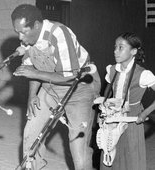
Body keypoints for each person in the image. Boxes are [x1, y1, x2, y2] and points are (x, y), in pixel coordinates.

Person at [11, 4, 101, 170]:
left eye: (23, 31)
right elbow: (32, 67)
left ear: (36, 25)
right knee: (31, 133)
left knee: (78, 146)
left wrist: (35, 73)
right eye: (17, 32)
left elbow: (69, 76)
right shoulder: (31, 41)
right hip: (51, 86)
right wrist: (33, 95)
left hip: (79, 87)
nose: (20, 38)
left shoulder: (59, 33)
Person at [94, 32, 155, 170]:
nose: (115, 51)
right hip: (112, 117)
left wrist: (145, 113)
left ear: (133, 51)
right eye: (115, 47)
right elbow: (107, 91)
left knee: (130, 156)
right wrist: (103, 108)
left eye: (121, 47)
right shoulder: (111, 70)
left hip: (132, 118)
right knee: (108, 152)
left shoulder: (143, 74)